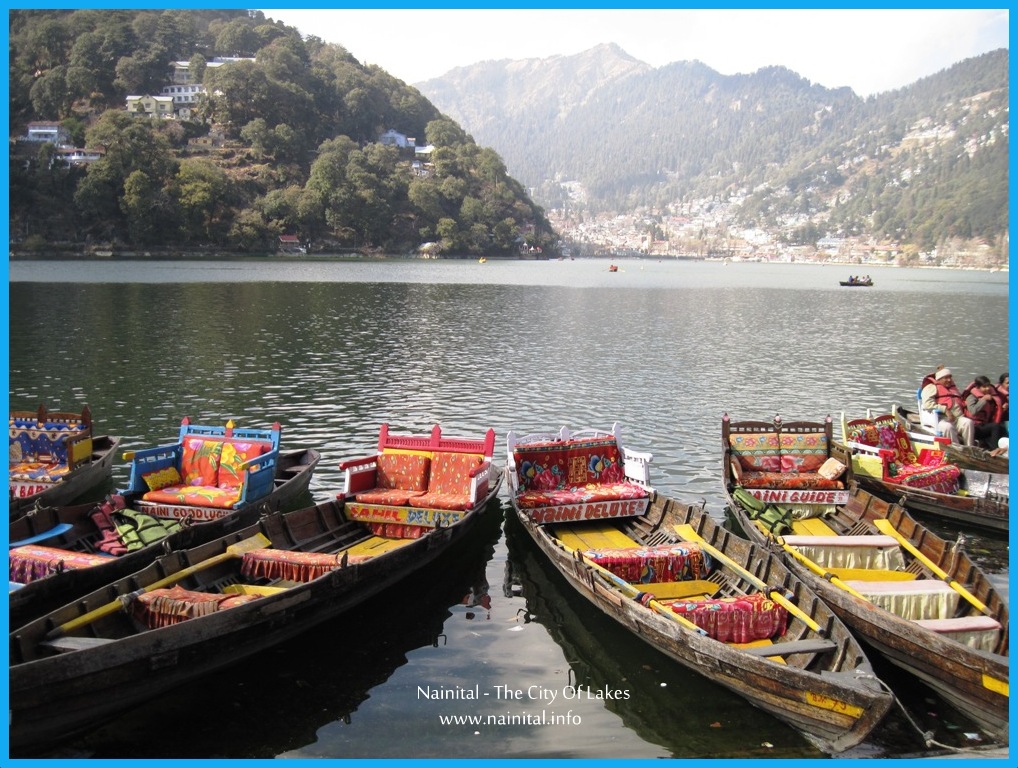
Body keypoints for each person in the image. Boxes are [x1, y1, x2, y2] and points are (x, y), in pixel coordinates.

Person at [920, 367, 975, 446]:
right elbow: (927, 404)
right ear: (939, 379)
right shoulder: (931, 387)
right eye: (946, 378)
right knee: (948, 427)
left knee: (968, 422)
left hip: (956, 418)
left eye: (950, 377)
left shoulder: (952, 388)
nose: (949, 380)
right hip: (940, 419)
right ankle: (956, 448)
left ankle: (969, 448)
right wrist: (945, 409)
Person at [962, 375, 1006, 449]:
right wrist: (983, 399)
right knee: (995, 426)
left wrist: (1003, 408)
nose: (987, 388)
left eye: (988, 386)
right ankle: (995, 450)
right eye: (984, 387)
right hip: (974, 428)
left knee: (1002, 427)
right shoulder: (971, 397)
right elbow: (973, 411)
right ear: (977, 387)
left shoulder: (991, 397)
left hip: (984, 425)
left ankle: (1006, 449)